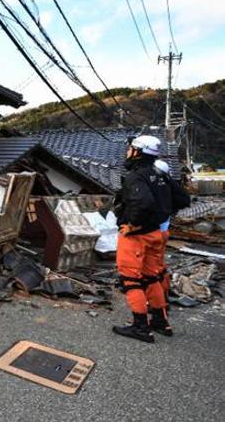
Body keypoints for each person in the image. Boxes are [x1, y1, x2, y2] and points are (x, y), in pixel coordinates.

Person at [112, 135, 170, 343]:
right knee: (151, 276)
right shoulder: (158, 175)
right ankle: (160, 320)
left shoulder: (136, 176)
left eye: (130, 149)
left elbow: (143, 203)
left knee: (131, 279)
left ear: (137, 151)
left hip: (137, 236)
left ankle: (140, 327)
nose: (127, 152)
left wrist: (132, 224)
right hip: (156, 233)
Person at [152, 159, 191, 323]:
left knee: (150, 271)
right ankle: (164, 298)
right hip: (164, 230)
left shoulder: (157, 187)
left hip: (153, 232)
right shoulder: (171, 185)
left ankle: (157, 305)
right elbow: (184, 201)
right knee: (160, 267)